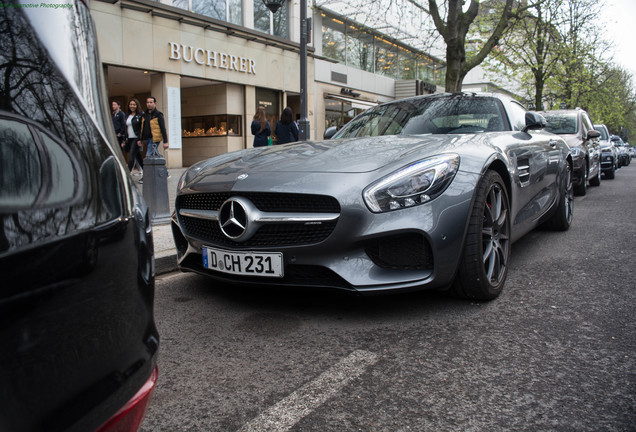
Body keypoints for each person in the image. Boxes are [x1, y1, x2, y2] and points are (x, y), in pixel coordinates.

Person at [139, 96, 169, 183]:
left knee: (148, 156)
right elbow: (142, 128)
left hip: (155, 139)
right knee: (154, 155)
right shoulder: (144, 115)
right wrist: (140, 139)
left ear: (155, 103)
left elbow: (163, 129)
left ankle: (145, 177)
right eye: (147, 102)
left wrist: (165, 142)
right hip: (147, 139)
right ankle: (165, 172)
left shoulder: (158, 115)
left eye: (151, 102)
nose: (149, 104)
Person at [125, 98, 144, 174]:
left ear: (137, 105)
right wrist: (124, 139)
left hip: (136, 139)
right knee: (138, 157)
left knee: (131, 156)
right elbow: (125, 128)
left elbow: (141, 128)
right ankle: (147, 173)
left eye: (134, 104)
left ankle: (127, 174)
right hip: (129, 139)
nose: (132, 106)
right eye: (131, 104)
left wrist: (140, 139)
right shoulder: (127, 115)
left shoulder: (140, 115)